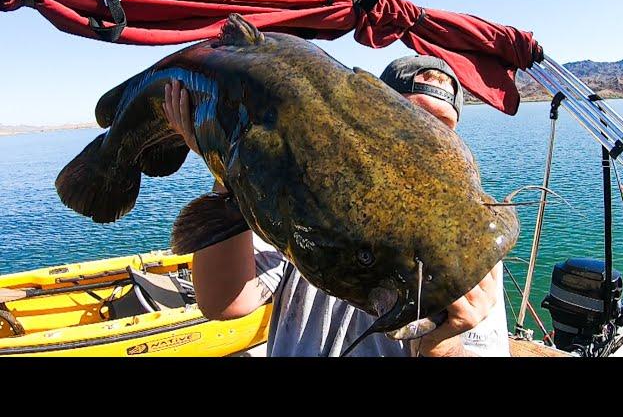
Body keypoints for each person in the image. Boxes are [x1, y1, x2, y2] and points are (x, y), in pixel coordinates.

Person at [163, 55, 509, 357]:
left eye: (442, 124)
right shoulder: (297, 191)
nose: (425, 133)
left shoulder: (468, 243)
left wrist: (442, 345)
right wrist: (229, 163)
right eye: (411, 115)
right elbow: (225, 301)